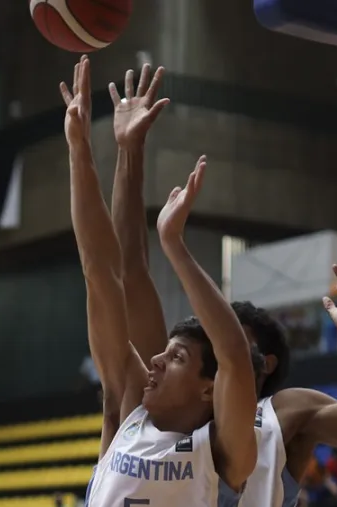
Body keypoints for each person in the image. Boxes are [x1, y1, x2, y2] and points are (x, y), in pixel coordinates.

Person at [103, 62, 337, 507]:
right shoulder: (165, 401)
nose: (223, 351)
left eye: (232, 346)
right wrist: (130, 149)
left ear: (263, 363)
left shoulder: (285, 413)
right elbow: (128, 267)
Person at [62, 56, 258, 506]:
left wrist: (174, 243)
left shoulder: (224, 450)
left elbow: (232, 354)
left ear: (210, 387)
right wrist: (84, 151)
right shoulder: (128, 408)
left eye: (175, 357)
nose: (153, 361)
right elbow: (105, 272)